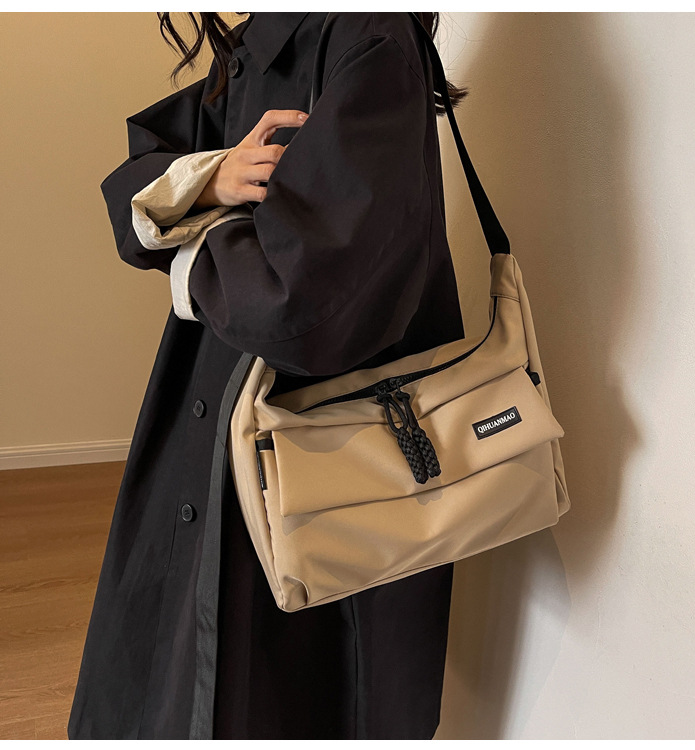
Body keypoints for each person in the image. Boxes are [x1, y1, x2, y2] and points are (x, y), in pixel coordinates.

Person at [67, 11, 469, 739]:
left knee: (286, 680)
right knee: (198, 668)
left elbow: (307, 306)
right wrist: (207, 178)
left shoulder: (367, 33)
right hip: (222, 404)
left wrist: (191, 245)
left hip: (309, 432)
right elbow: (136, 181)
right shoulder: (263, 40)